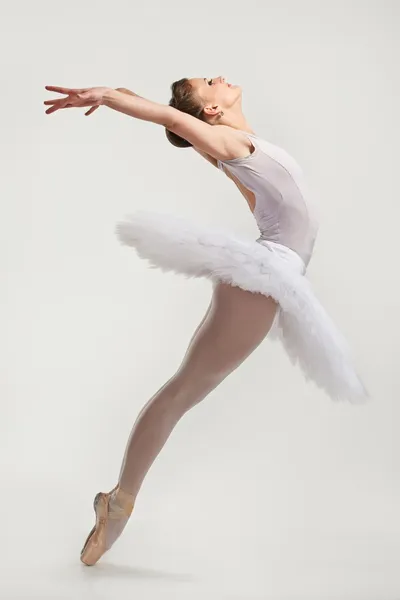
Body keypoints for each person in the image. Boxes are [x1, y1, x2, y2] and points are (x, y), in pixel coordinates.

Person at [44, 77, 367, 566]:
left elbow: (181, 125)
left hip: (268, 276)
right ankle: (120, 501)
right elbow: (175, 120)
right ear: (212, 109)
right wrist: (109, 99)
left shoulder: (234, 146)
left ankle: (118, 500)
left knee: (182, 392)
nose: (218, 77)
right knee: (181, 393)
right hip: (266, 276)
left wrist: (119, 93)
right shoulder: (229, 141)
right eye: (208, 83)